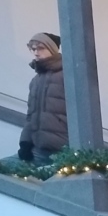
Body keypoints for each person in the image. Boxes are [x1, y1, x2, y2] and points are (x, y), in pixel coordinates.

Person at [18, 33, 66, 164]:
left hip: (63, 151)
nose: (36, 53)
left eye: (40, 48)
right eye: (33, 49)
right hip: (39, 149)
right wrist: (25, 143)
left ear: (52, 49)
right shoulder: (36, 80)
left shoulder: (67, 75)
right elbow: (31, 115)